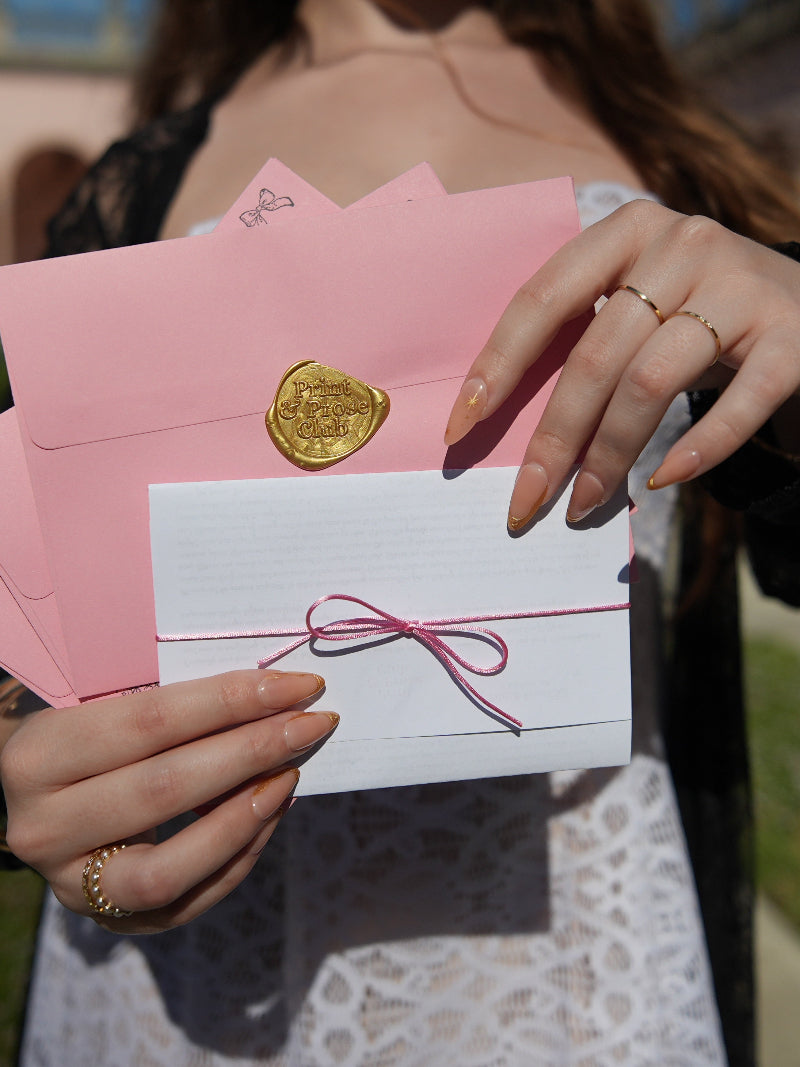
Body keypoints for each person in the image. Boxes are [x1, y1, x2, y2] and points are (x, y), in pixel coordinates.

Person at [3, 1, 800, 1064]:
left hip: (566, 971)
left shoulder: (681, 144)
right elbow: (34, 612)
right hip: (191, 981)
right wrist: (32, 778)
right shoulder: (140, 175)